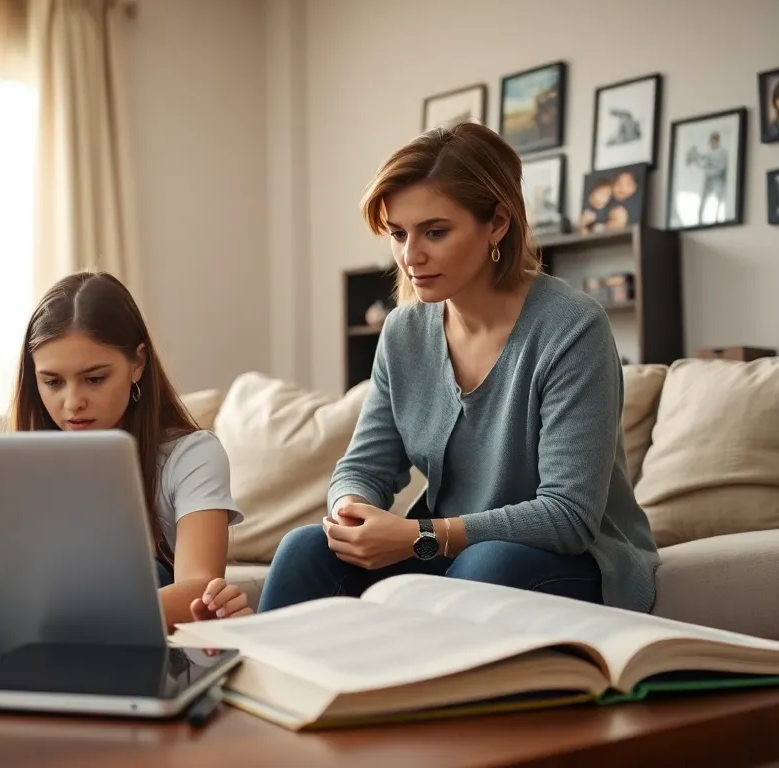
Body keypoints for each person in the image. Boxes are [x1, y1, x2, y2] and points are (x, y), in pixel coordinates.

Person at [258, 121, 660, 615]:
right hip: (446, 552)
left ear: (497, 223)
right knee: (306, 548)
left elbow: (569, 516)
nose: (411, 256)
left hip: (575, 558)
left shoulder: (572, 328)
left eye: (435, 232)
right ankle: (259, 688)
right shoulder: (403, 332)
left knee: (485, 568)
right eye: (398, 234)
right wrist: (351, 510)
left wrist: (419, 536)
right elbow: (364, 466)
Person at [6, 270, 252, 628]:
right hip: (38, 630)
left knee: (141, 571)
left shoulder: (192, 455)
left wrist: (74, 621)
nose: (73, 403)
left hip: (129, 635)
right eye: (53, 382)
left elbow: (199, 588)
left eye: (94, 379)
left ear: (137, 363)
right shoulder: (17, 461)